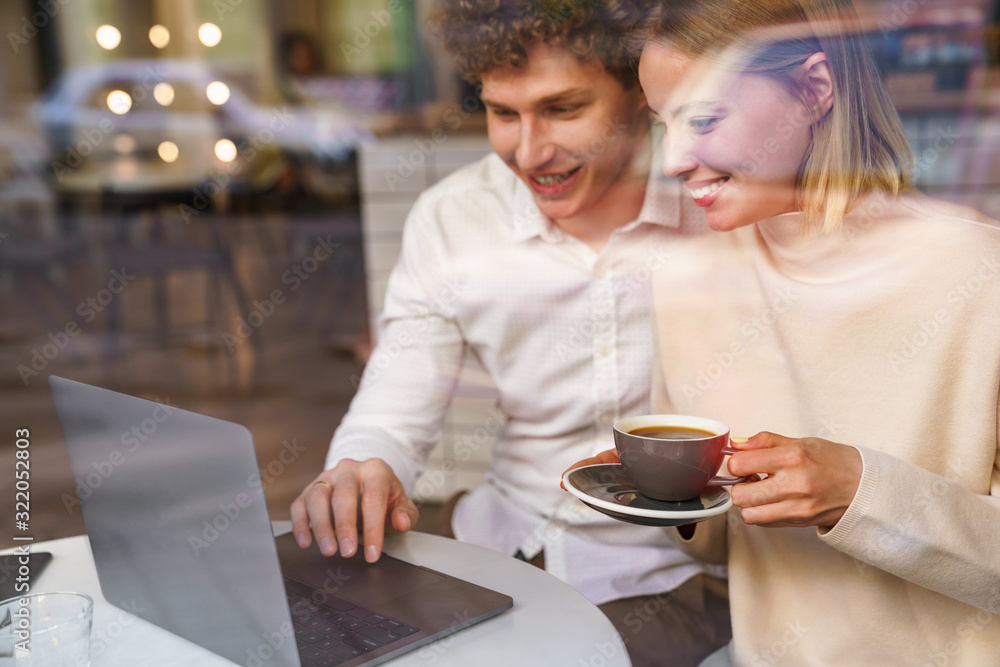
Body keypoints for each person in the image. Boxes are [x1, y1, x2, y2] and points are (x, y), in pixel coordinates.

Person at [291, 1, 733, 664]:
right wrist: (361, 466)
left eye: (563, 108)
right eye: (503, 112)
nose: (528, 152)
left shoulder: (720, 206)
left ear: (643, 95)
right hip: (497, 539)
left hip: (669, 568)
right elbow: (393, 406)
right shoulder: (453, 219)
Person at [568, 0, 1000, 664]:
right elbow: (719, 540)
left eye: (705, 118)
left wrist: (857, 489)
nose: (676, 162)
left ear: (814, 90)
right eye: (663, 125)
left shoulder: (980, 272)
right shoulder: (688, 279)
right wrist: (668, 488)